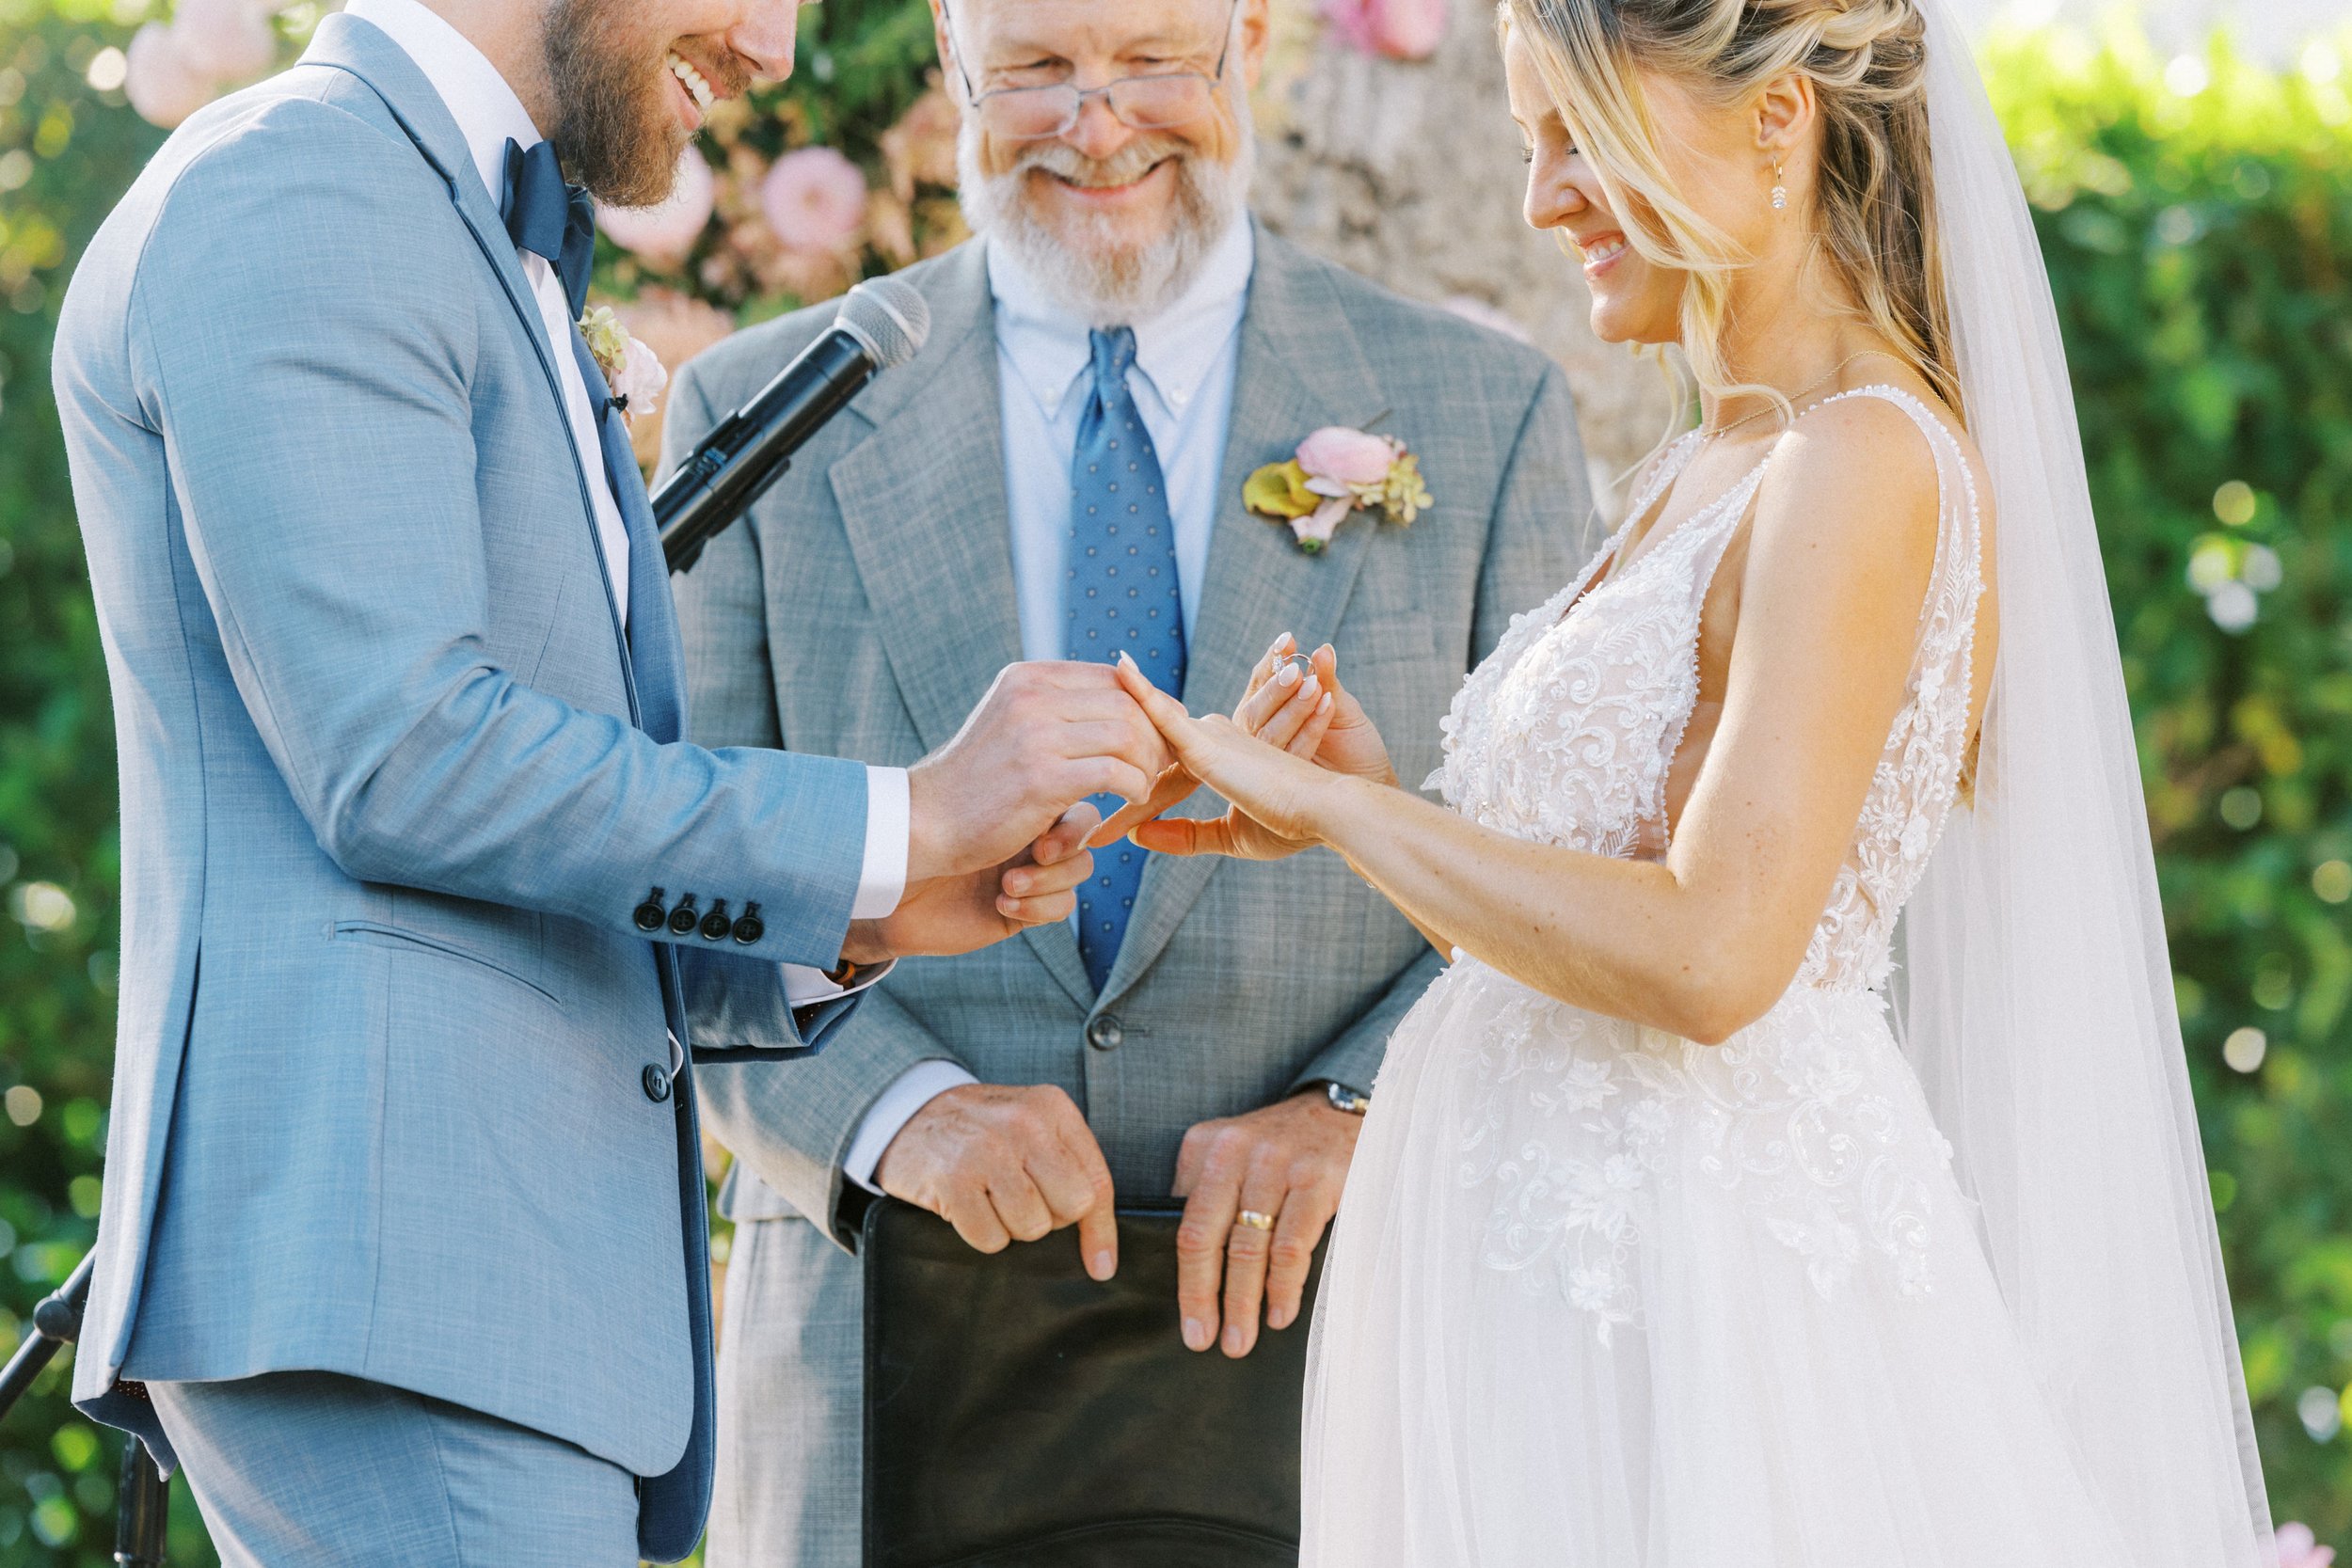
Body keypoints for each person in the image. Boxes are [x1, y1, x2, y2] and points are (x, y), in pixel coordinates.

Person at [1102, 0, 2275, 1560]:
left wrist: (1344, 812)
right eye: (1530, 146)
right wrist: (1385, 814)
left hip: (1698, 1302)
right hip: (1553, 1282)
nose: (1543, 197)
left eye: (1578, 133)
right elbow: (1598, 941)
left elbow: (1717, 956)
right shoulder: (1706, 460)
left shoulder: (1860, 461)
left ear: (1777, 119)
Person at [49, 0, 1172, 1560]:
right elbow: (405, 755)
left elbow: (510, 818)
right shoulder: (300, 185)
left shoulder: (444, 214)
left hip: (471, 1308)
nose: (775, 50)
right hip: (400, 1287)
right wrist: (898, 813)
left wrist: (866, 914)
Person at [662, 0, 1593, 1557]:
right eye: (1035, 70)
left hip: (1347, 1360)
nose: (1099, 126)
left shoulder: (1485, 419)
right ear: (957, 60)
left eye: (1154, 59)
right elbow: (672, 892)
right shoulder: (761, 418)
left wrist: (1366, 1109)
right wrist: (903, 1114)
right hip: (873, 1366)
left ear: (1247, 40)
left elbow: (1562, 902)